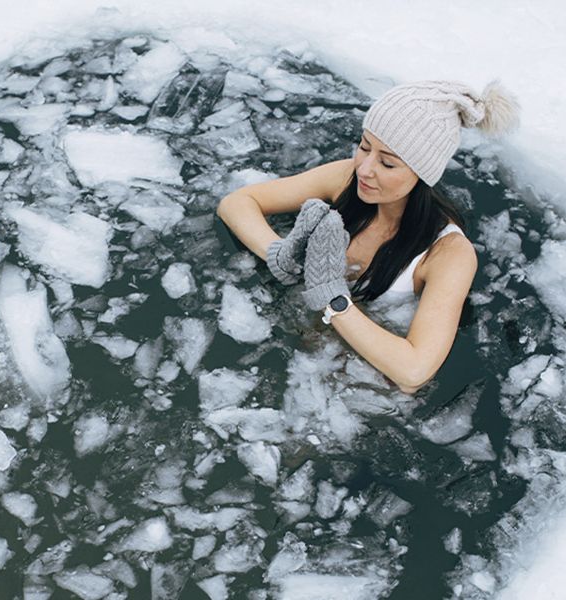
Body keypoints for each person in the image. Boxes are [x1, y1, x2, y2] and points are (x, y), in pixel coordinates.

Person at [216, 80, 519, 393]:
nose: (365, 169)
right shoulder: (346, 178)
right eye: (364, 146)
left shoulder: (449, 254)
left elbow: (414, 371)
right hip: (288, 344)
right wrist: (280, 254)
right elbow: (236, 203)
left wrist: (333, 297)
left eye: (387, 162)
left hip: (356, 384)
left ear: (421, 174)